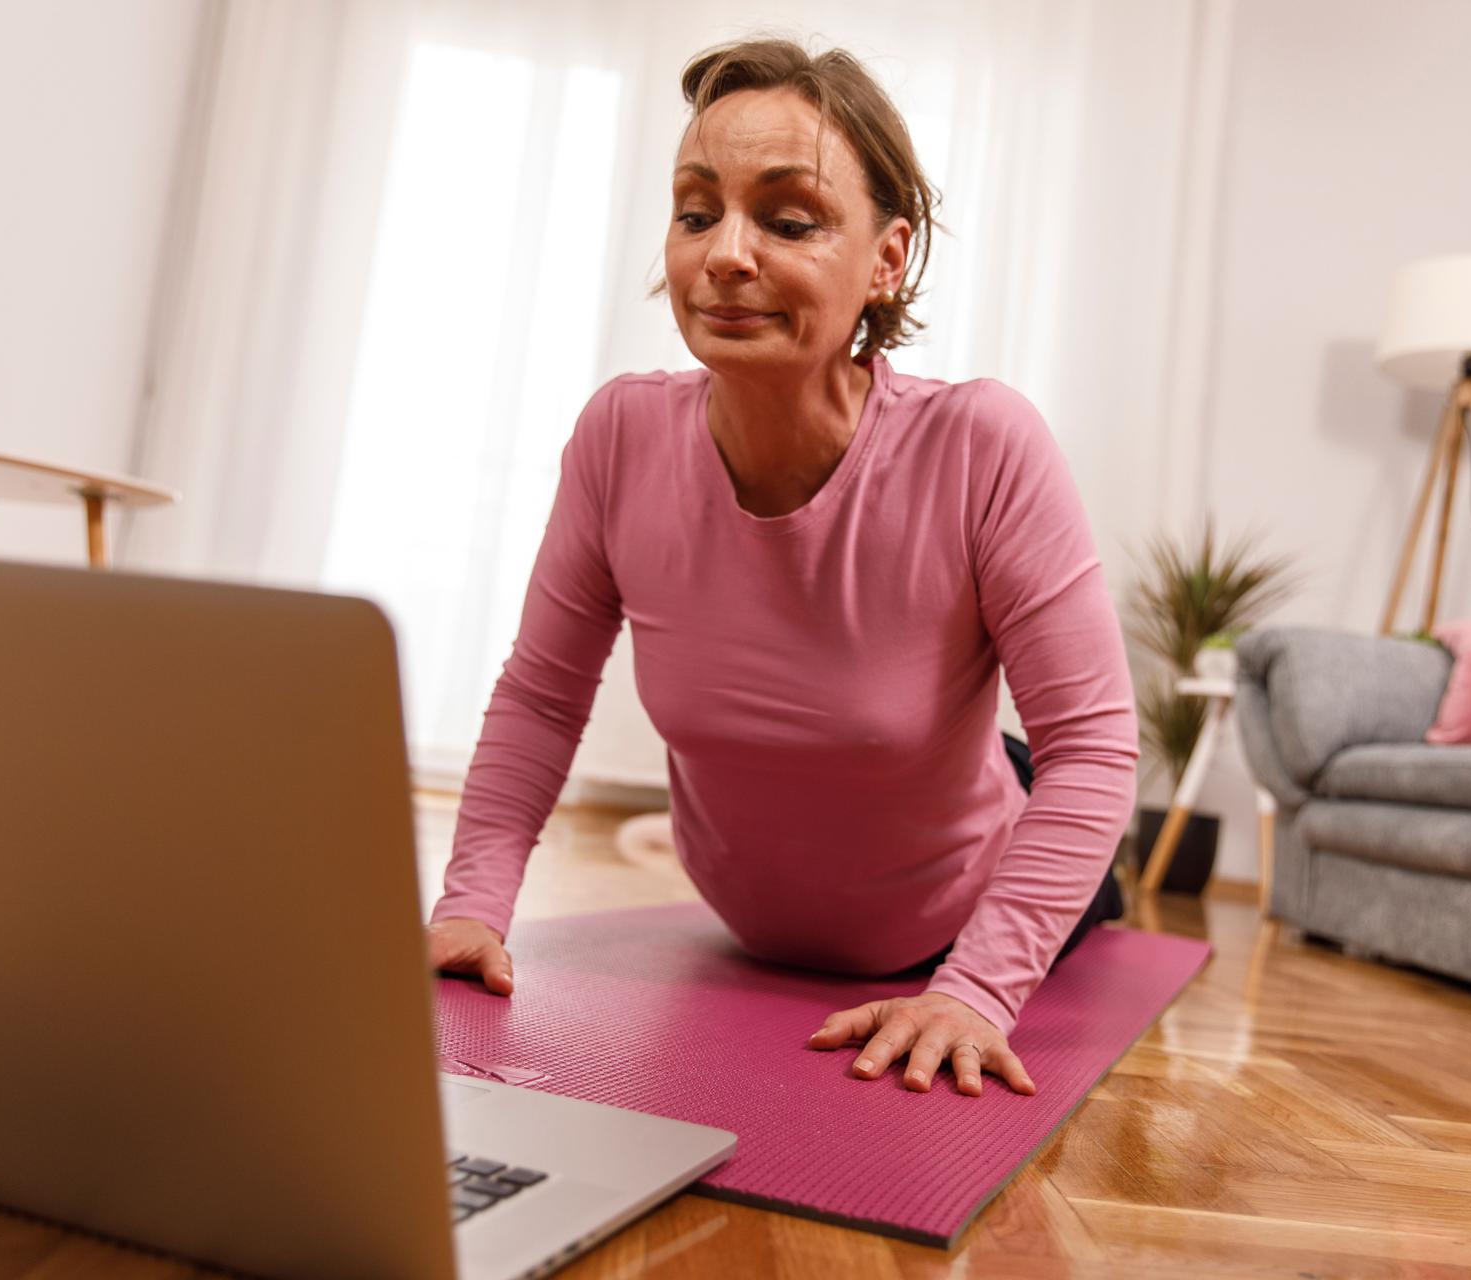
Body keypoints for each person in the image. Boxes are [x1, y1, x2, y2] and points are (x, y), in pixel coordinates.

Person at [426, 38, 1137, 1098]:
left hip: (958, 887)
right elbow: (540, 691)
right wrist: (471, 905)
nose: (724, 253)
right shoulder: (621, 433)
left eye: (789, 219)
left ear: (887, 260)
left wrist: (975, 991)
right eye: (697, 210)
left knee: (1038, 784)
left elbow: (1094, 747)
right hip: (760, 919)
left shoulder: (983, 443)